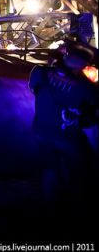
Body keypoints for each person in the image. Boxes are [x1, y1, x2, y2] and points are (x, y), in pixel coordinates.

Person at [28, 40, 98, 213]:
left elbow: (33, 88)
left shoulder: (40, 72)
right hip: (67, 137)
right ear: (82, 65)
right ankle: (79, 208)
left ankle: (49, 208)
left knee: (49, 169)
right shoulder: (84, 88)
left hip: (41, 130)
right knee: (82, 170)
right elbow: (91, 116)